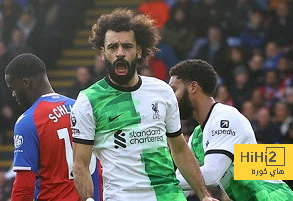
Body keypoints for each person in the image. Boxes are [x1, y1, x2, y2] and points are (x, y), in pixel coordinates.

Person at [71, 8, 217, 201]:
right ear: (102, 52)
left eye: (127, 46)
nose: (120, 53)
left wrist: (204, 195)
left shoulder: (162, 91)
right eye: (113, 47)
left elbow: (180, 148)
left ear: (139, 51)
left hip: (168, 195)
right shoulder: (88, 101)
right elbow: (80, 163)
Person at [169, 59, 293, 201]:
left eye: (173, 90)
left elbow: (211, 175)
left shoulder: (225, 118)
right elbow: (179, 185)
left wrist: (158, 183)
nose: (170, 99)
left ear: (193, 87)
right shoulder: (197, 138)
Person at [4, 53, 101, 201]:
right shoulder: (81, 108)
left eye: (12, 88)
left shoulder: (28, 121)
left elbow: (23, 189)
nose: (13, 94)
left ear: (25, 83)